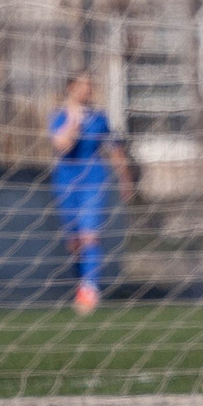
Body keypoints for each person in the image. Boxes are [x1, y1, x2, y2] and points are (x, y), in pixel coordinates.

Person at [48, 71, 135, 315]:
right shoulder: (58, 115)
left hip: (94, 177)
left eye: (90, 85)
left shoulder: (99, 117)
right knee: (74, 242)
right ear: (71, 87)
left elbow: (115, 149)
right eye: (83, 85)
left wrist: (125, 179)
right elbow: (61, 144)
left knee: (90, 236)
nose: (88, 89)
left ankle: (90, 289)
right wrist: (74, 121)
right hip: (66, 180)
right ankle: (81, 285)